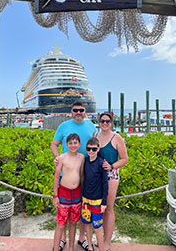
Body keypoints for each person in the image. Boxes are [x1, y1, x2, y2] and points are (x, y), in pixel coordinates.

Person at [50, 101, 97, 250]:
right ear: (71, 111)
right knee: (63, 215)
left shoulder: (91, 126)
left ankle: (81, 238)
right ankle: (62, 240)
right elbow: (53, 144)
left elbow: (98, 144)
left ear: (85, 111)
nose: (78, 112)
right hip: (66, 174)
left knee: (82, 209)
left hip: (85, 172)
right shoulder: (63, 126)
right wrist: (58, 158)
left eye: (81, 110)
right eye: (75, 110)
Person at [94, 112, 128, 251]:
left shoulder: (117, 138)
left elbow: (124, 159)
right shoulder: (95, 136)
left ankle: (107, 241)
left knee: (108, 208)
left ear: (112, 123)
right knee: (98, 208)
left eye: (107, 121)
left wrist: (112, 166)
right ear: (99, 122)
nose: (105, 123)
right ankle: (100, 238)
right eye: (102, 121)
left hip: (111, 175)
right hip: (97, 175)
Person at [52, 133, 85, 251]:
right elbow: (56, 177)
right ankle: (56, 248)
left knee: (73, 223)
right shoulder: (62, 158)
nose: (73, 145)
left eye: (75, 143)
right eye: (70, 143)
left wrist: (83, 194)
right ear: (66, 145)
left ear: (79, 144)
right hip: (64, 194)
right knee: (61, 224)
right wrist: (55, 196)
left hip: (76, 195)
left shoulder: (81, 157)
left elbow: (81, 175)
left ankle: (71, 248)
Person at [81, 137, 108, 251]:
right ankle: (90, 246)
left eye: (93, 149)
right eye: (88, 149)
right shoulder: (85, 161)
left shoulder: (102, 163)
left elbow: (105, 184)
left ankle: (101, 248)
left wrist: (104, 202)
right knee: (87, 224)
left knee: (97, 227)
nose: (91, 151)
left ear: (98, 149)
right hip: (85, 199)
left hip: (97, 200)